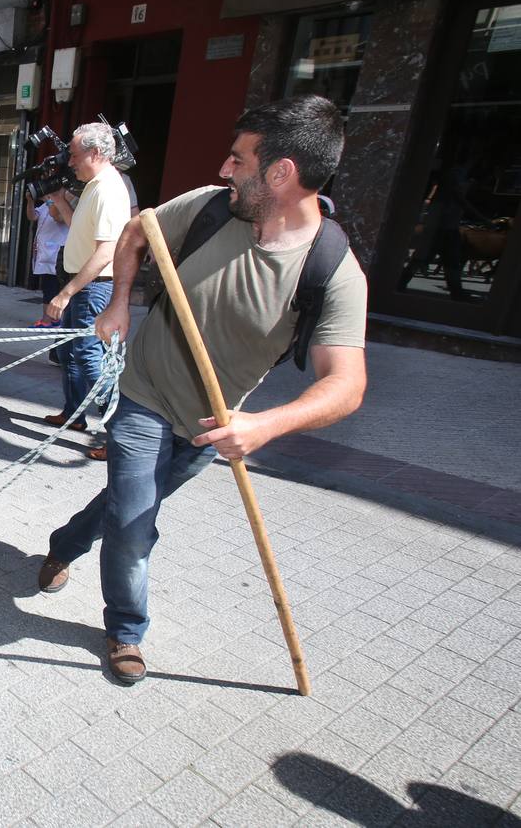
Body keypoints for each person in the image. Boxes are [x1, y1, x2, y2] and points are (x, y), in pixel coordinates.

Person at [37, 95, 368, 684]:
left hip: (213, 423)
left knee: (128, 508)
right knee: (136, 525)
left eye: (239, 160)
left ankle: (65, 542)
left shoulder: (331, 267)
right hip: (144, 394)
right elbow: (138, 232)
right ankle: (126, 630)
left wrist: (264, 426)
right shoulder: (212, 211)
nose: (224, 170)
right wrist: (118, 305)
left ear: (281, 172)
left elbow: (346, 384)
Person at [41, 124, 131, 452]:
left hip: (93, 286)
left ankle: (120, 434)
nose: (71, 162)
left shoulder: (108, 188)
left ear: (95, 153)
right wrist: (56, 199)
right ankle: (74, 413)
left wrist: (65, 293)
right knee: (70, 352)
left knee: (90, 356)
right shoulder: (94, 185)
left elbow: (106, 251)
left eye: (75, 155)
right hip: (80, 283)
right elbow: (77, 222)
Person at [25, 189, 70, 326]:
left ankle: (47, 321)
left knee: (52, 288)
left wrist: (49, 200)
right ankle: (54, 318)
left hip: (56, 255)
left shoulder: (64, 205)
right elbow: (32, 216)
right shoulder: (46, 205)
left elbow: (58, 217)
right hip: (45, 255)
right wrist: (30, 201)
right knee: (49, 288)